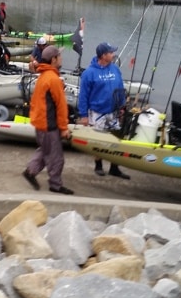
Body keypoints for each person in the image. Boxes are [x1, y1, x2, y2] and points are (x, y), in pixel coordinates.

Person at [22, 46, 74, 195]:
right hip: (48, 125)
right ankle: (55, 185)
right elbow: (61, 106)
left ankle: (30, 172)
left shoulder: (44, 76)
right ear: (53, 59)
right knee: (56, 158)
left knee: (45, 151)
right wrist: (63, 128)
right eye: (59, 56)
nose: (61, 59)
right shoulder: (53, 79)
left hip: (41, 123)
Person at [78, 42, 131, 179]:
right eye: (111, 53)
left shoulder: (115, 69)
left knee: (116, 139)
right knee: (99, 141)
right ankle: (99, 165)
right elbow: (83, 95)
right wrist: (83, 115)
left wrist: (122, 106)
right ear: (103, 55)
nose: (113, 55)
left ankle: (114, 167)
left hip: (113, 111)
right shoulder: (89, 73)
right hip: (97, 112)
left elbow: (120, 88)